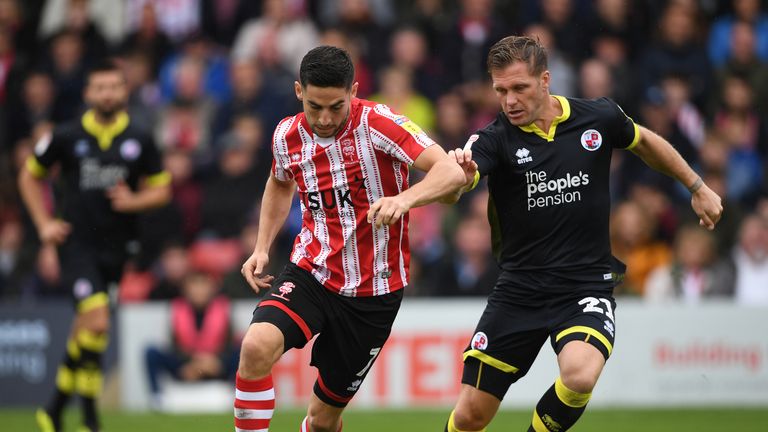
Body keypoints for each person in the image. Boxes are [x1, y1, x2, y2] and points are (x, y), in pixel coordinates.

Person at [443, 36, 723, 432]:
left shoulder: (598, 117)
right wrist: (412, 197)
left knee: (579, 375)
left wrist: (697, 186)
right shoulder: (494, 137)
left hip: (584, 285)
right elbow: (456, 179)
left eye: (519, 87)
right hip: (519, 290)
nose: (509, 101)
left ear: (545, 80)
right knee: (470, 415)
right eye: (500, 91)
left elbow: (645, 143)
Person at [234, 45, 472, 432]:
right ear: (299, 91)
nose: (325, 119)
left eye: (336, 107)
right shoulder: (286, 135)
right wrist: (262, 246)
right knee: (255, 346)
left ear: (354, 91)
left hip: (373, 293)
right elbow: (279, 183)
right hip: (311, 272)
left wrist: (403, 199)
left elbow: (450, 171)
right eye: (314, 107)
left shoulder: (380, 124)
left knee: (322, 422)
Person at [19, 60, 171, 432]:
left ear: (124, 91)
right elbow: (29, 176)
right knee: (98, 319)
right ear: (88, 93)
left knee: (91, 330)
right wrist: (44, 223)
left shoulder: (140, 136)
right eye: (100, 87)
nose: (107, 94)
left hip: (118, 247)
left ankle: (58, 410)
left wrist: (133, 201)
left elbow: (162, 190)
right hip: (76, 244)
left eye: (114, 87)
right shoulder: (66, 135)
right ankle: (85, 416)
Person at [144, 271, 239, 410]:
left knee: (242, 351)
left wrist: (215, 361)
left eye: (203, 285)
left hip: (215, 365)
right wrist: (192, 363)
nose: (198, 290)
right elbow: (174, 345)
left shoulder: (222, 307)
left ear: (212, 288)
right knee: (151, 352)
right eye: (194, 285)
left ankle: (236, 393)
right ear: (186, 289)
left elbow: (229, 343)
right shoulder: (178, 308)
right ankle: (157, 398)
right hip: (186, 366)